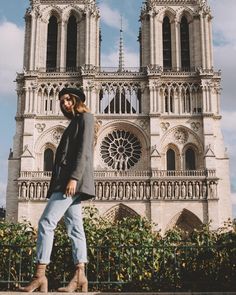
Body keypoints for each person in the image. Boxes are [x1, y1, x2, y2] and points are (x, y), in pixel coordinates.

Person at [19, 88, 95, 293]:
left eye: (68, 99)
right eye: (62, 101)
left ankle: (40, 275)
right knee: (75, 228)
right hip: (67, 180)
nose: (64, 103)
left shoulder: (86, 118)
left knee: (46, 222)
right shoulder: (75, 122)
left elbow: (83, 151)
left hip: (69, 182)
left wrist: (74, 178)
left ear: (77, 100)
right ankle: (80, 276)